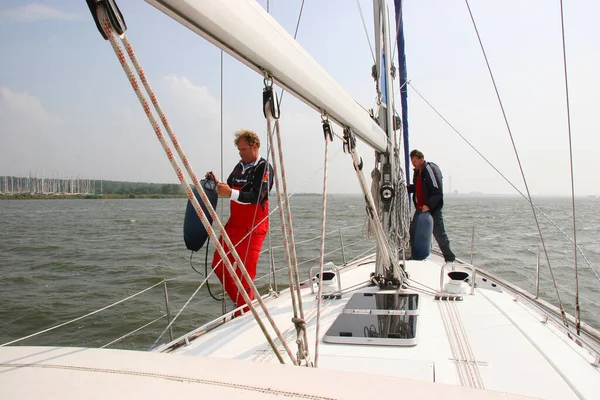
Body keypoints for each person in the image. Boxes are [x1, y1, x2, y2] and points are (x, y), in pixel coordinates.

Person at [206, 129, 274, 310]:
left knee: (244, 274)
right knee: (218, 264)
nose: (241, 153)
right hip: (234, 224)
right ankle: (241, 302)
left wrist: (231, 193)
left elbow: (258, 195)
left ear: (255, 146)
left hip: (254, 226)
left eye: (244, 149)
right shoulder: (239, 167)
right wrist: (217, 183)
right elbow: (230, 188)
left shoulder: (264, 168)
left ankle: (245, 310)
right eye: (239, 150)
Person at [407, 149, 456, 262]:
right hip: (420, 208)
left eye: (414, 161)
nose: (413, 164)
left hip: (432, 209)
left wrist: (429, 205)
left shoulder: (429, 170)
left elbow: (437, 191)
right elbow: (417, 187)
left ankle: (450, 258)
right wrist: (406, 188)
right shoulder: (417, 171)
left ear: (421, 160)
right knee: (414, 231)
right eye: (412, 161)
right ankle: (416, 255)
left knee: (439, 234)